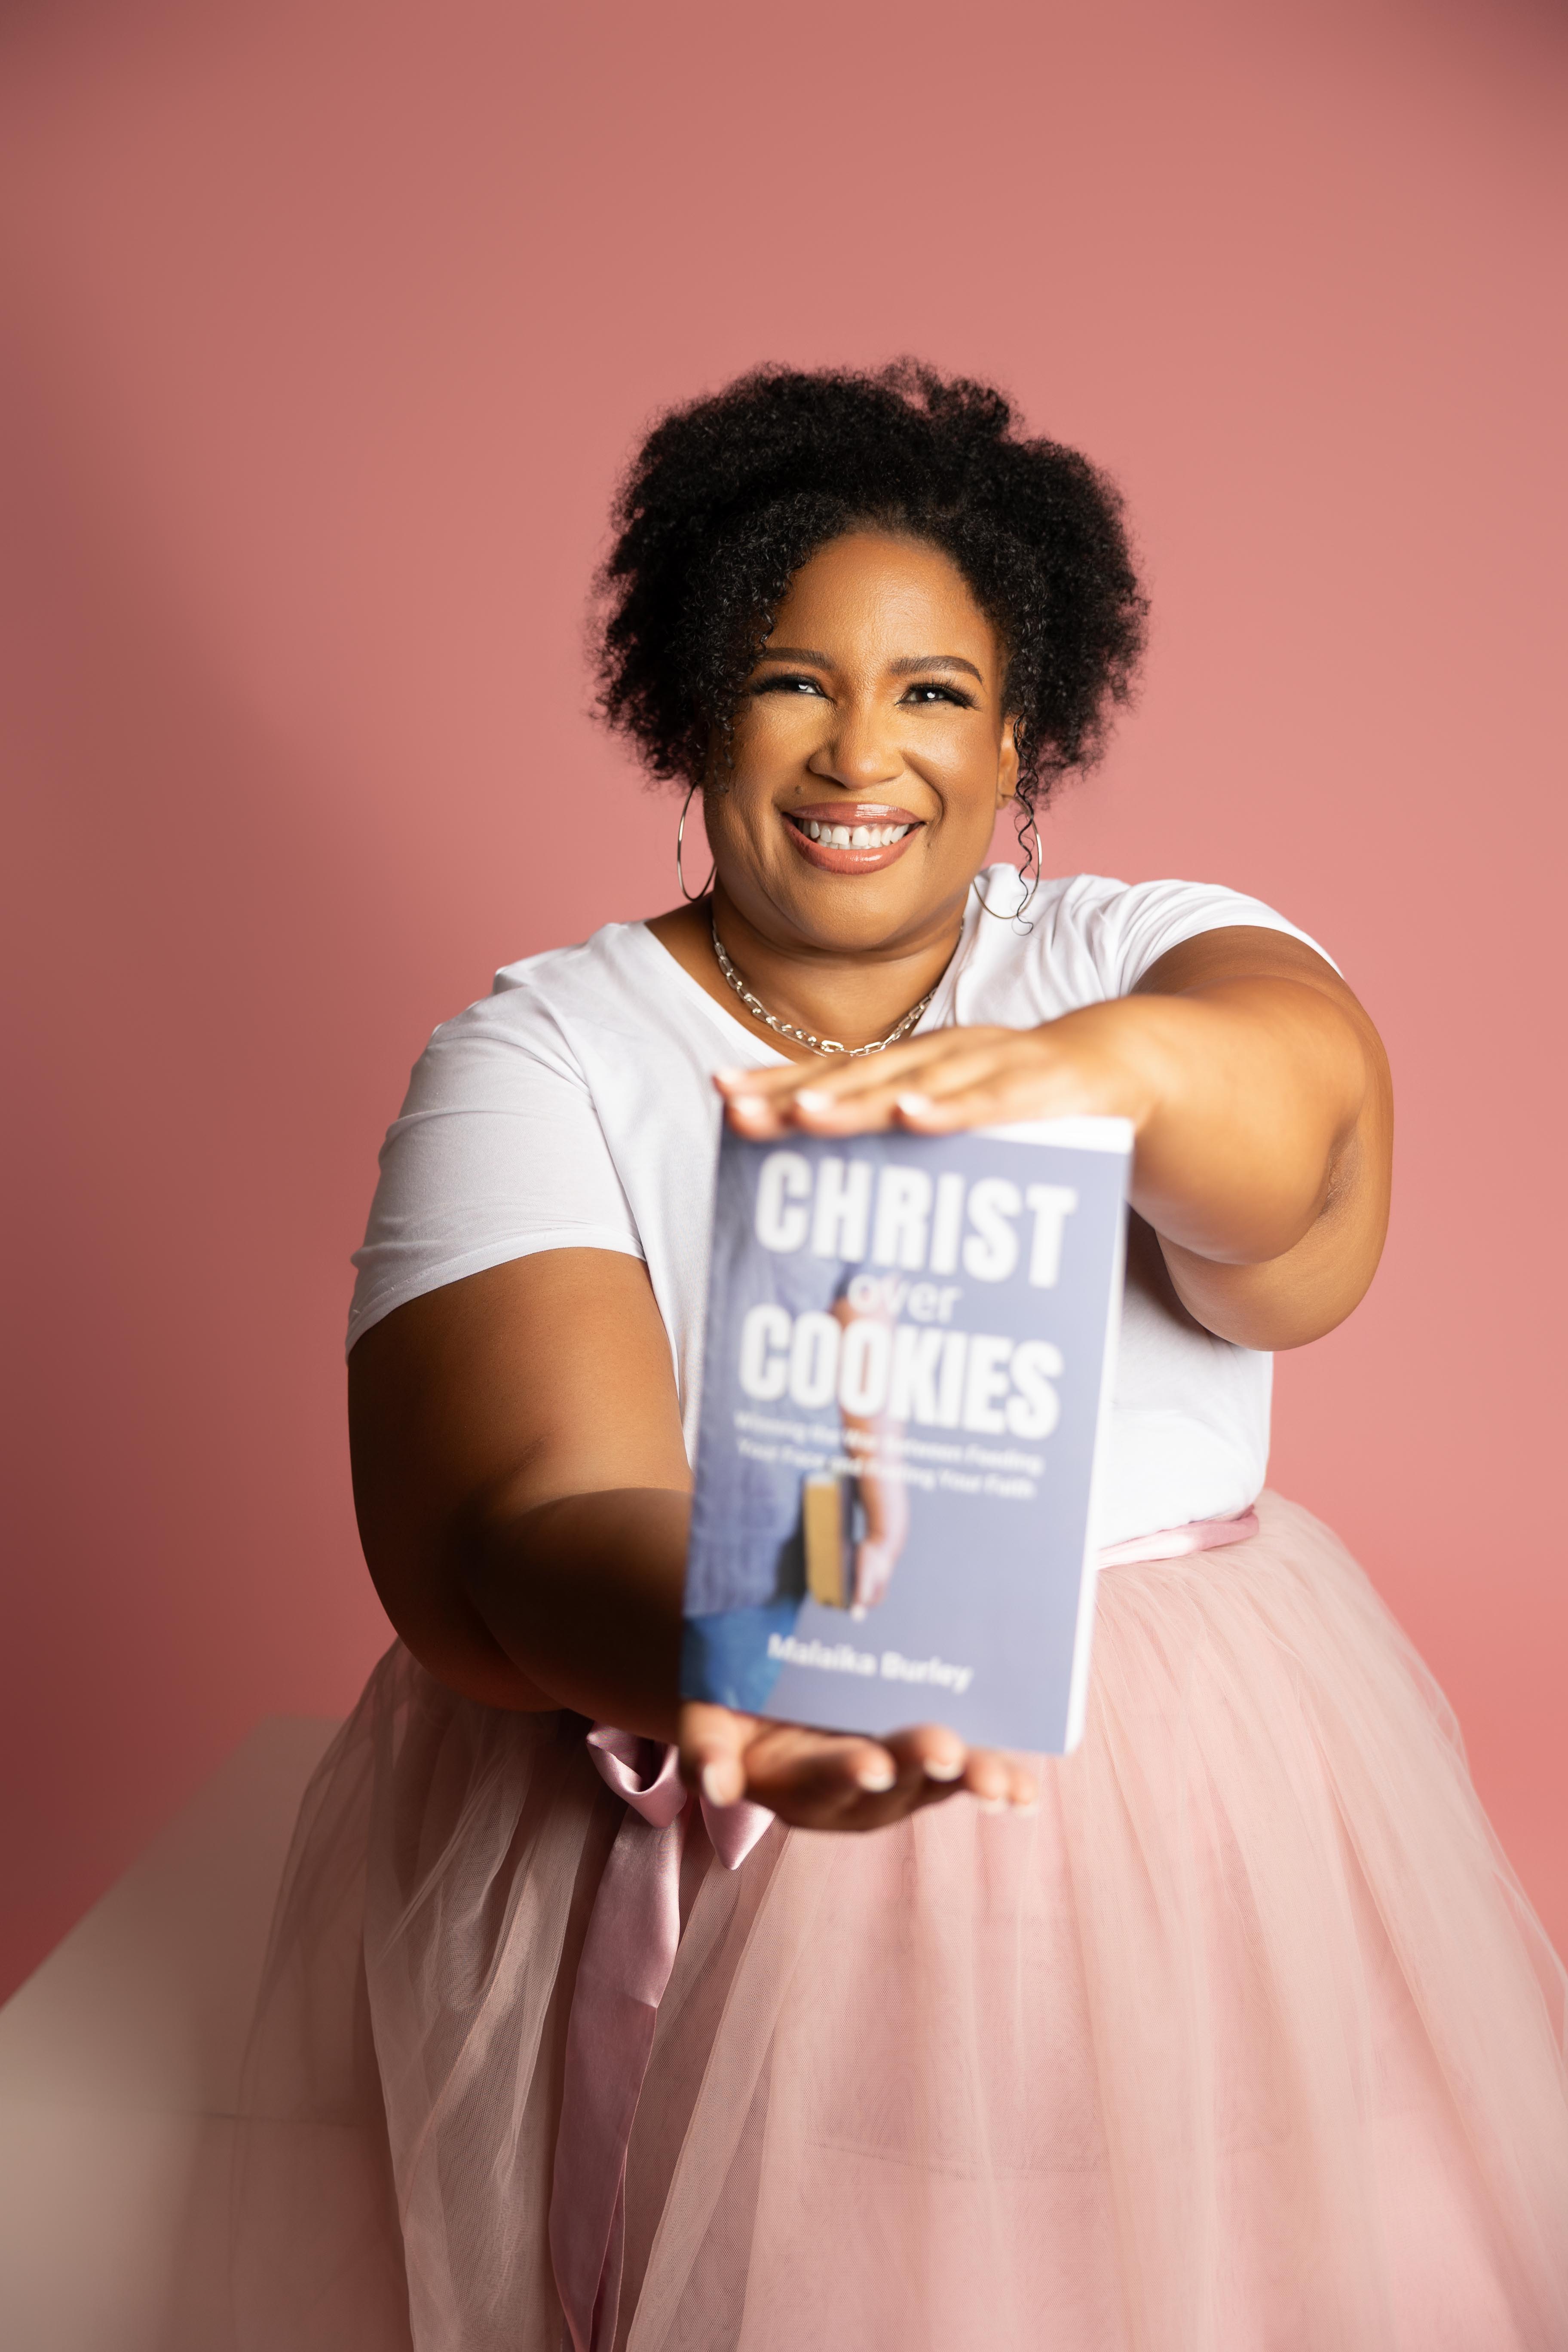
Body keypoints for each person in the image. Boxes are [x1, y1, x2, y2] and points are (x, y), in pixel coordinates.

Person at [236, 363, 1568, 2352]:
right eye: (794, 678)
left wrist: (1083, 1077)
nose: (865, 750)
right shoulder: (541, 1055)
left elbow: (1307, 1197)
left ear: (1028, 730)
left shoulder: (1137, 955)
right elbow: (510, 1530)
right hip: (740, 1832)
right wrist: (758, 1651)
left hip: (1203, 1865)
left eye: (936, 692)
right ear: (692, 706)